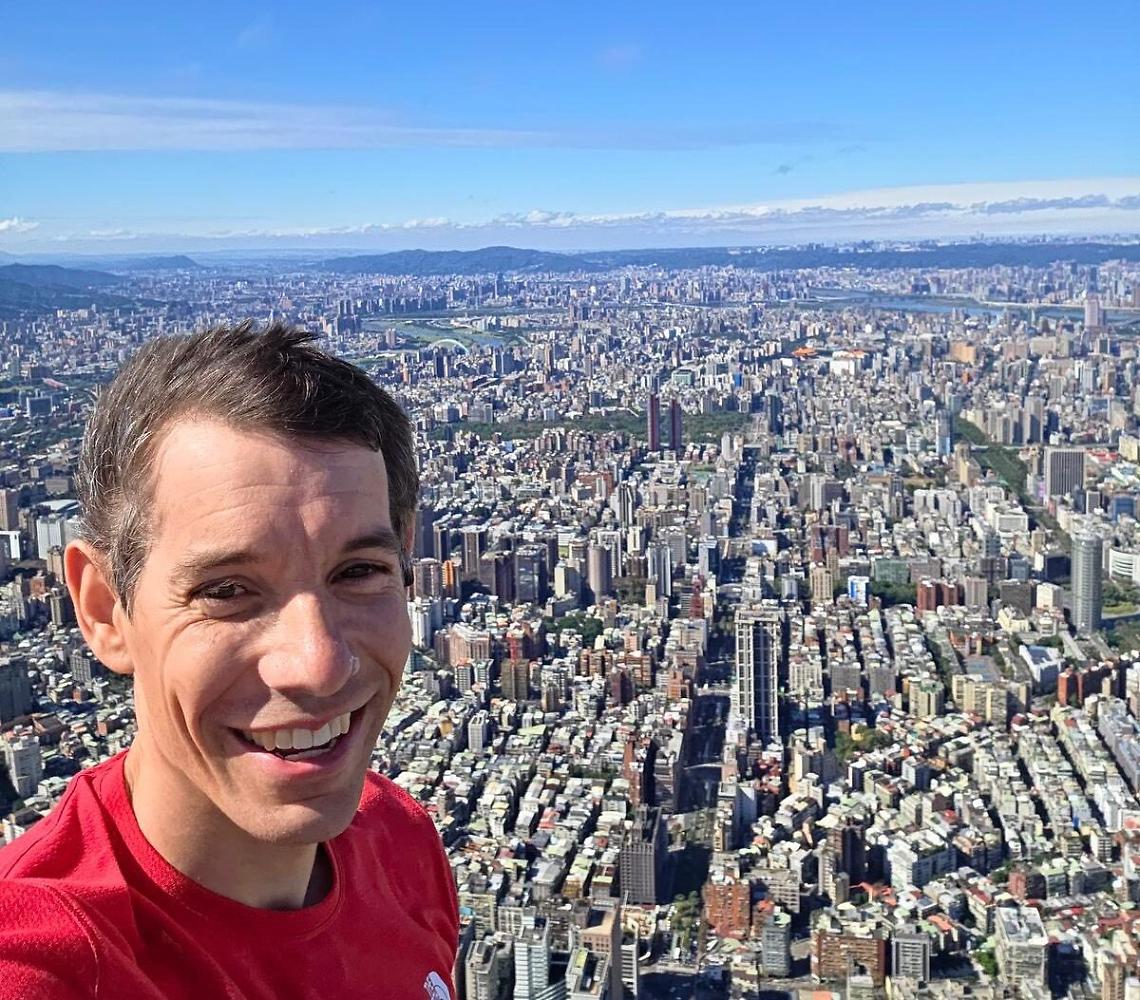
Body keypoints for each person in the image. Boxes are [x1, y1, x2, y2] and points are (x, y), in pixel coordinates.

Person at [0, 322, 459, 998]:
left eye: (359, 571)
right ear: (104, 610)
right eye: (226, 591)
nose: (319, 663)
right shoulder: (49, 965)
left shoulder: (401, 839)